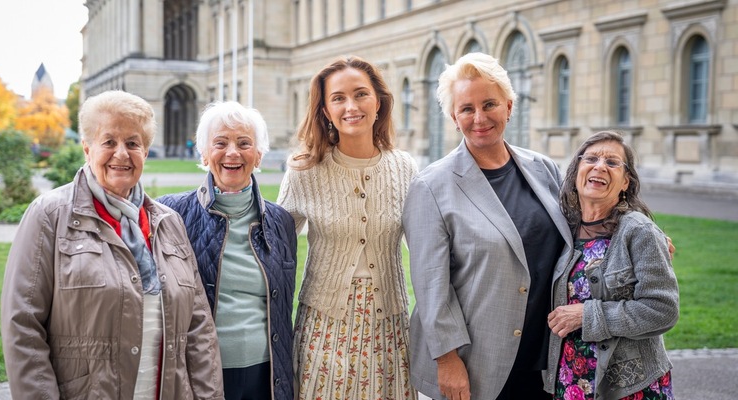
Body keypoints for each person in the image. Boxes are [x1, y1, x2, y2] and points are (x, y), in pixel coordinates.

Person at [0, 90, 224, 399]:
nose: (121, 154)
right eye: (108, 142)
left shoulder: (168, 222)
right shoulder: (50, 215)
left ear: (145, 152)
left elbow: (199, 328)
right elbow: (23, 325)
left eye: (132, 143)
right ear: (87, 148)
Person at [403, 52, 574, 400]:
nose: (479, 118)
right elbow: (431, 286)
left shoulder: (544, 169)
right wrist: (447, 360)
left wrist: (637, 237)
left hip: (547, 360)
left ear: (509, 107)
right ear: (454, 117)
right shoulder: (431, 186)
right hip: (477, 364)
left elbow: (583, 231)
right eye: (466, 108)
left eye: (489, 104)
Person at [277, 55, 419, 399]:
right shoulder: (304, 171)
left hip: (388, 325)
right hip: (325, 324)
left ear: (378, 102)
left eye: (361, 94)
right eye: (338, 98)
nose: (351, 106)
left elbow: (428, 248)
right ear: (325, 110)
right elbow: (273, 248)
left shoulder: (405, 168)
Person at [158, 101, 298, 400]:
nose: (232, 152)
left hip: (267, 374)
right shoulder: (171, 213)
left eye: (244, 143)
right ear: (204, 153)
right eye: (220, 143)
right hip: (200, 371)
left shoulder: (281, 221)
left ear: (258, 155)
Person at [544, 131, 679, 400]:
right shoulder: (562, 228)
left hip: (628, 385)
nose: (600, 166)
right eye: (591, 159)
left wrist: (587, 315)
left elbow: (663, 310)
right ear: (576, 171)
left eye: (612, 162)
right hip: (570, 380)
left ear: (625, 181)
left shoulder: (639, 232)